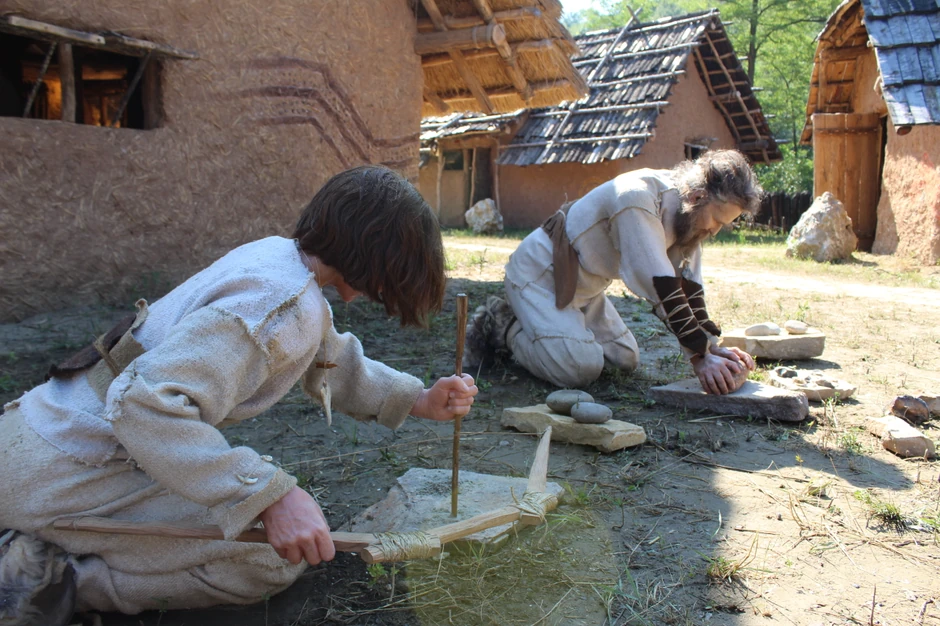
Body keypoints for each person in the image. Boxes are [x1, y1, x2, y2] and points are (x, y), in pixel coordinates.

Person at [0, 165, 478, 623]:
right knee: (272, 557)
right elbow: (143, 402)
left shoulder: (280, 265)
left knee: (262, 516)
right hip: (64, 474)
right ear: (376, 253)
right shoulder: (281, 307)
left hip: (35, 439)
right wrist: (268, 497)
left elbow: (327, 355)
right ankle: (47, 578)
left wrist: (417, 399)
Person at [465, 149, 759, 394]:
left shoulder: (688, 210)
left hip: (585, 288)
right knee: (580, 368)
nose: (716, 230)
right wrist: (699, 356)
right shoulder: (637, 199)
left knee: (624, 359)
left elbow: (689, 281)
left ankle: (551, 328)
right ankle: (503, 326)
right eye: (717, 221)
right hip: (539, 275)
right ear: (697, 197)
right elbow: (660, 283)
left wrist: (711, 346)